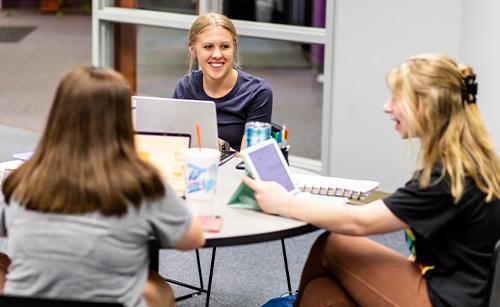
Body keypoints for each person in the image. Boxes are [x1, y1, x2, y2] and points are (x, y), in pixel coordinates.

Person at [243, 53, 500, 306]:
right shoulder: (470, 162)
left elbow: (360, 222)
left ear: (425, 107)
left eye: (396, 99)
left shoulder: (446, 177)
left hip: (447, 298)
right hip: (454, 285)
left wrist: (286, 204)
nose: (386, 107)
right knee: (325, 292)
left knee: (334, 244)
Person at [0, 66, 205, 307]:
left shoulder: (21, 179)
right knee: (156, 288)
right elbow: (192, 239)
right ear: (122, 118)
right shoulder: (143, 181)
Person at [173, 12, 273, 151]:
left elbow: (249, 161)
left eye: (225, 46)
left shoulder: (258, 92)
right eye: (208, 47)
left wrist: (220, 147)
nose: (217, 55)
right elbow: (176, 144)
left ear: (234, 49)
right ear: (193, 50)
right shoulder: (184, 88)